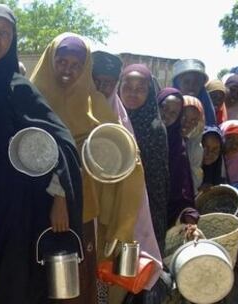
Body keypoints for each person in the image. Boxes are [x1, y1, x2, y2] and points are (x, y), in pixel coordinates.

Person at [31, 33, 162, 304]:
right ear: (50, 60)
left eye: (77, 64)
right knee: (35, 279)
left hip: (79, 210)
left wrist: (62, 196)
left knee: (74, 283)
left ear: (84, 68)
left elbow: (124, 161)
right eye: (62, 61)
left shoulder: (96, 106)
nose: (68, 69)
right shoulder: (31, 97)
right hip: (30, 207)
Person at [0, 6, 83, 303]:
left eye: (4, 33)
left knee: (15, 283)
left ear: (13, 38)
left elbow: (62, 143)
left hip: (19, 210)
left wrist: (60, 195)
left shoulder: (21, 89)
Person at [118, 64, 169, 254]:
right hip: (113, 203)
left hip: (144, 207)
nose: (132, 93)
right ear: (119, 88)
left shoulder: (155, 128)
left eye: (140, 89)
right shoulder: (110, 120)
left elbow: (157, 182)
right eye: (127, 87)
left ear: (149, 92)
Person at [157, 88, 195, 227]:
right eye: (163, 107)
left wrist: (188, 214)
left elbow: (182, 188)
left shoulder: (178, 147)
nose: (166, 115)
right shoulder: (139, 131)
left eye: (173, 113)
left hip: (162, 216)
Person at [92, 50, 134, 134]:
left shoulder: (121, 119)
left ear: (115, 86)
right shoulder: (76, 107)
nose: (100, 88)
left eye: (107, 83)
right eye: (96, 81)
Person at [172, 59, 216, 125]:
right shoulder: (168, 108)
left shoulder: (207, 112)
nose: (191, 86)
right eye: (186, 82)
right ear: (177, 84)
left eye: (197, 82)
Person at [181, 95, 205, 194]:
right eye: (184, 117)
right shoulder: (164, 141)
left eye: (193, 120)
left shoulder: (196, 147)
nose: (187, 123)